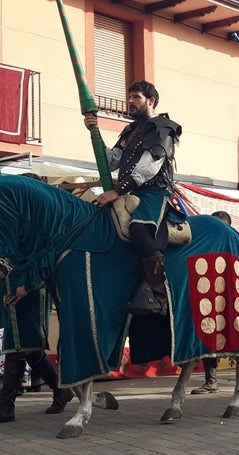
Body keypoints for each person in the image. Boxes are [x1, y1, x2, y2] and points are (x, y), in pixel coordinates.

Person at [83, 80, 182, 315]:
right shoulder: (130, 131)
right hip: (132, 191)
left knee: (139, 228)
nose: (130, 102)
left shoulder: (164, 128)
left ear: (151, 101)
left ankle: (158, 292)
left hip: (155, 192)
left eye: (135, 97)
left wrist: (117, 191)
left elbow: (150, 166)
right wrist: (94, 131)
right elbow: (112, 160)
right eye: (129, 97)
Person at [191, 211, 239, 393]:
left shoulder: (234, 243)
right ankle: (215, 378)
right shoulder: (232, 243)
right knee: (212, 329)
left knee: (231, 329)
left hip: (230, 294)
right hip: (217, 294)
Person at [0, 289, 74, 423]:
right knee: (29, 348)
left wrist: (23, 284)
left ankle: (5, 406)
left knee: (19, 345)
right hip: (11, 286)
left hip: (28, 288)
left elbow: (39, 268)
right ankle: (61, 390)